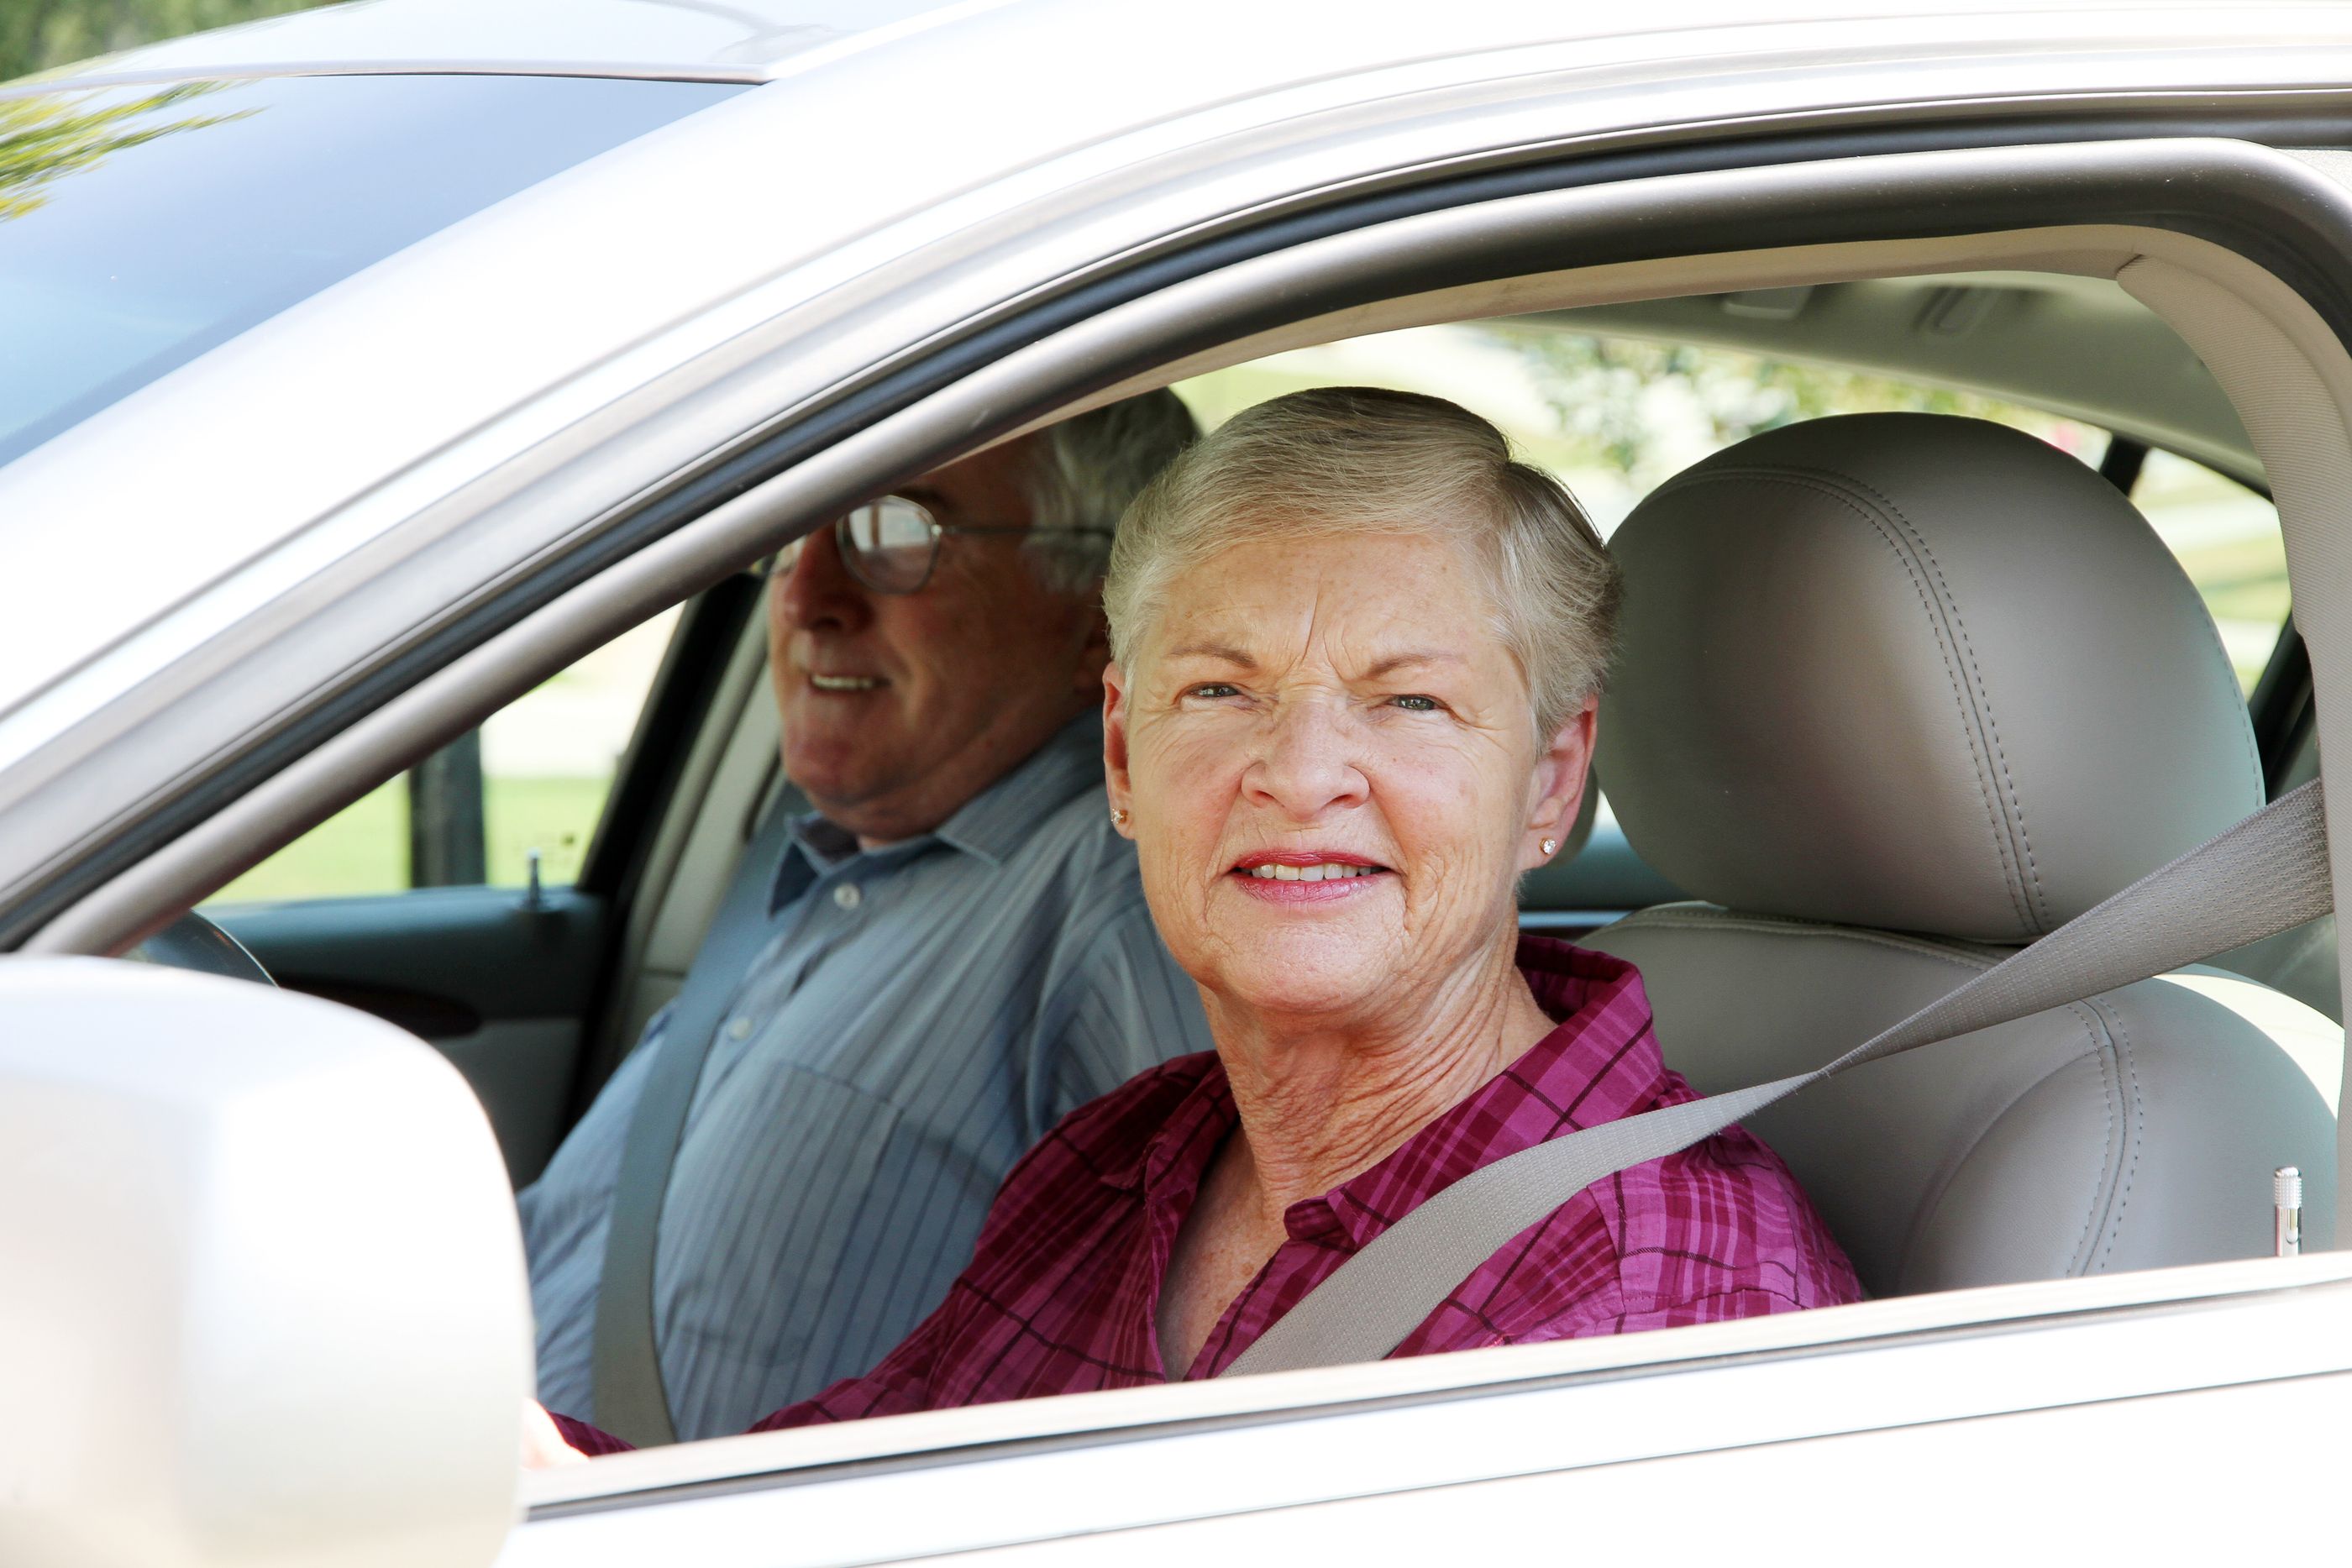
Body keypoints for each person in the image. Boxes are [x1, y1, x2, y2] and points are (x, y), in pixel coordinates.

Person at [532, 385, 1857, 1461]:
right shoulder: (1124, 1162)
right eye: (1222, 689)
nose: (1298, 770)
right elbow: (826, 1510)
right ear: (1122, 754)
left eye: (1410, 703)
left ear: (1553, 779)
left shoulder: (1662, 1310)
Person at [521, 391, 1215, 1440]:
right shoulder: (820, 871)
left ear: (1099, 616)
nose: (808, 596)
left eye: (896, 530)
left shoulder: (1118, 896)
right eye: (790, 535)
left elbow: (1204, 1401)